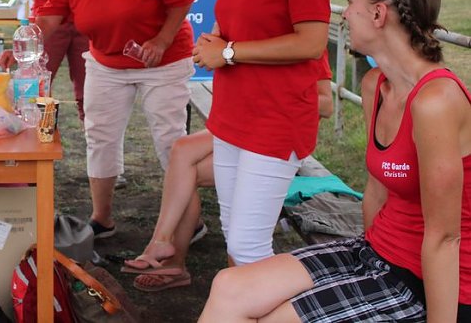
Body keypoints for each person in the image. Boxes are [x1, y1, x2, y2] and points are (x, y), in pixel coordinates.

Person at [199, 0, 471, 322]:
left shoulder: (436, 101)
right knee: (228, 286)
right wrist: (364, 266)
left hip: (426, 282)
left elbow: (445, 239)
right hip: (378, 253)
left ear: (378, 14)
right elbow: (376, 193)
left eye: (352, 2)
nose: (343, 15)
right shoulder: (376, 85)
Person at [192, 0, 335, 267]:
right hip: (234, 114)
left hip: (277, 119)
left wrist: (231, 52)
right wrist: (216, 40)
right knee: (233, 236)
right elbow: (239, 19)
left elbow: (310, 43)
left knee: (248, 246)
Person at [37, 0, 197, 238]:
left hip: (164, 62)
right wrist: (19, 44)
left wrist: (160, 40)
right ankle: (102, 219)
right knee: (100, 136)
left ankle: (190, 222)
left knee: (169, 139)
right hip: (106, 62)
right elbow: (49, 16)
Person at [123, 60, 335, 293]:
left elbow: (326, 105)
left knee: (241, 239)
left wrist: (273, 94)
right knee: (182, 152)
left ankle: (179, 262)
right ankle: (166, 250)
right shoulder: (246, 39)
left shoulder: (301, 42)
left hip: (275, 139)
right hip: (241, 128)